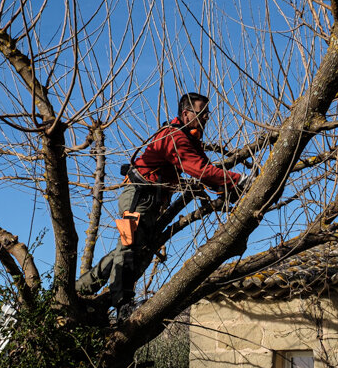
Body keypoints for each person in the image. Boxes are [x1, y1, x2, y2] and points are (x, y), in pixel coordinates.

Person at [78, 92, 243, 315]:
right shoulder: (173, 137)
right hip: (137, 197)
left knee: (127, 247)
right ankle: (122, 303)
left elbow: (205, 170)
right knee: (128, 245)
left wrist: (226, 187)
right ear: (186, 114)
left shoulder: (188, 139)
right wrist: (237, 179)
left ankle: (81, 288)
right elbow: (199, 170)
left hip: (151, 201)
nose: (206, 118)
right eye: (202, 113)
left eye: (207, 114)